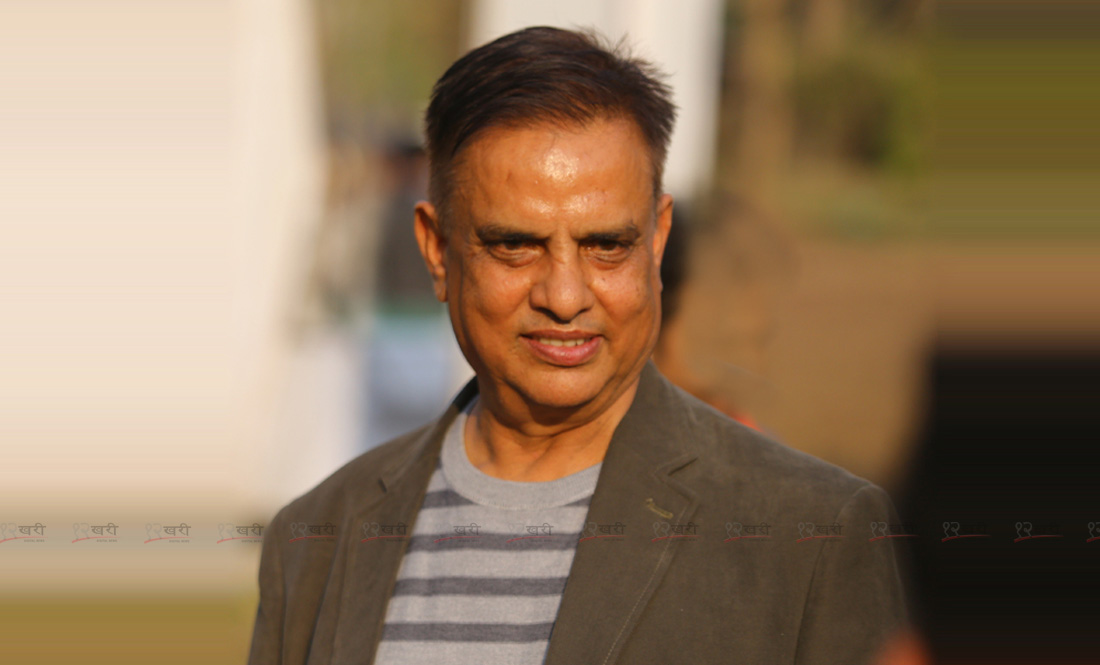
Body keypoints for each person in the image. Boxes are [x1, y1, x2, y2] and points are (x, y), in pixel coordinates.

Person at [248, 26, 907, 665]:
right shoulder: (315, 539)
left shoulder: (811, 534)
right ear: (438, 250)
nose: (564, 296)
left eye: (606, 245)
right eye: (515, 244)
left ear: (657, 242)